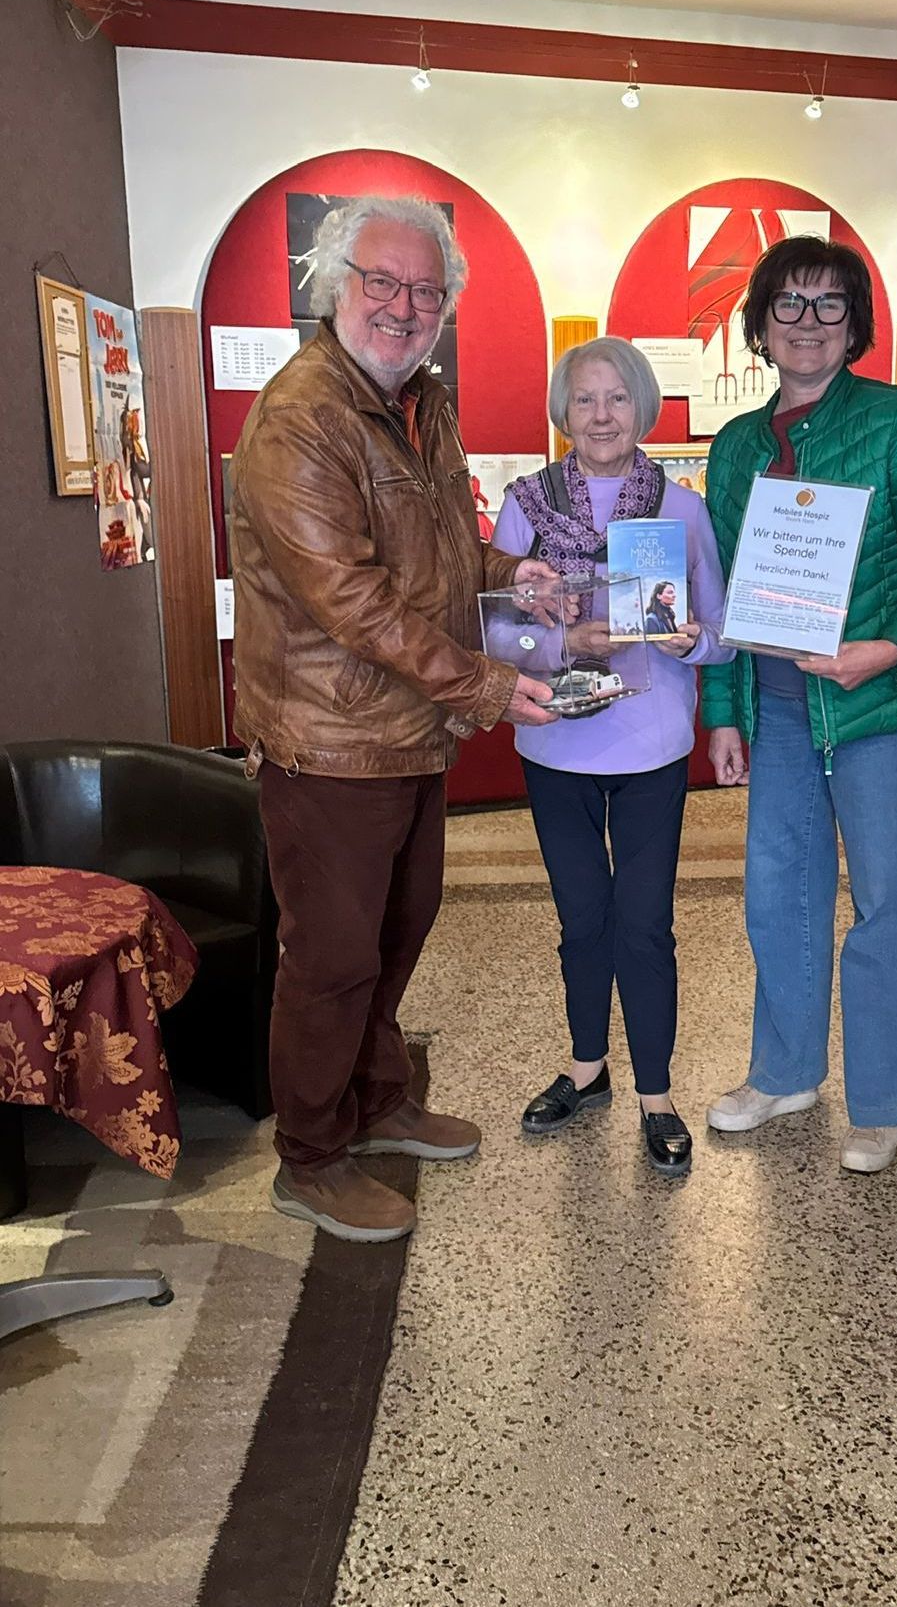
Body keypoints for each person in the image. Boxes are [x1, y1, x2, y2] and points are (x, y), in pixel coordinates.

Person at [230, 194, 555, 1242]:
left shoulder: (417, 398)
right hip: (331, 742)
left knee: (396, 930)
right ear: (336, 285)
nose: (407, 306)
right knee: (331, 957)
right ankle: (310, 1156)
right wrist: (488, 688)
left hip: (406, 734)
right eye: (385, 282)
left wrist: (515, 573)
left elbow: (440, 549)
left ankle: (375, 1103)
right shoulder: (301, 418)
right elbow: (355, 599)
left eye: (427, 289)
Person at [703, 236, 897, 1174]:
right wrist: (724, 711)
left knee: (886, 902)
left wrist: (887, 649)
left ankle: (885, 1098)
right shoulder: (740, 445)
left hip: (879, 706)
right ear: (760, 325)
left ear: (856, 323)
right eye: (789, 304)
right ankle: (785, 1073)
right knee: (778, 894)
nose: (809, 323)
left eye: (829, 305)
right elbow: (727, 594)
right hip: (778, 705)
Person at [490, 336, 734, 1176]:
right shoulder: (525, 506)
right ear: (563, 411)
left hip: (651, 742)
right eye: (585, 399)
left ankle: (655, 1094)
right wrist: (562, 641)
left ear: (643, 408)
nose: (601, 415)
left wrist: (692, 641)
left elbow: (723, 631)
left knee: (645, 924)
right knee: (581, 919)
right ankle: (587, 1068)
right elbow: (496, 633)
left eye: (617, 398)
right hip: (555, 738)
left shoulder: (681, 506)